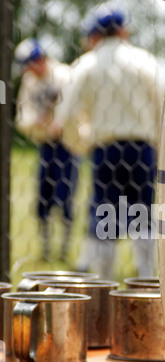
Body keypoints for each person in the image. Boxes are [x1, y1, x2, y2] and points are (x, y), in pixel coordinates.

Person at [61, 3, 165, 279]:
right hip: (141, 149)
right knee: (142, 211)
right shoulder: (145, 60)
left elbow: (67, 112)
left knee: (105, 214)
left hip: (105, 149)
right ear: (123, 30)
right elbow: (163, 104)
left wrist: (79, 143)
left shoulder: (87, 63)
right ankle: (146, 277)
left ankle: (104, 283)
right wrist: (159, 143)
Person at [14, 38, 79, 261]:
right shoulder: (29, 81)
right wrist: (38, 123)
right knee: (43, 196)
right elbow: (22, 118)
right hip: (45, 146)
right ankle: (45, 250)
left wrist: (59, 122)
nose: (27, 70)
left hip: (67, 145)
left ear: (39, 59)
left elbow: (76, 107)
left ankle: (64, 250)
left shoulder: (64, 74)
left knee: (66, 196)